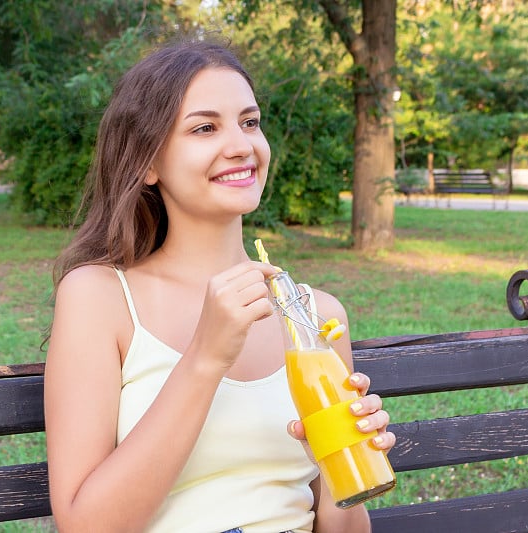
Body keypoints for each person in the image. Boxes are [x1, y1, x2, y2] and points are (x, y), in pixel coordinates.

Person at [43, 37, 396, 533]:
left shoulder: (313, 316)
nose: (241, 146)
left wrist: (343, 462)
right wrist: (206, 357)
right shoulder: (99, 298)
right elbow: (86, 525)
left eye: (249, 122)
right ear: (148, 163)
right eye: (205, 127)